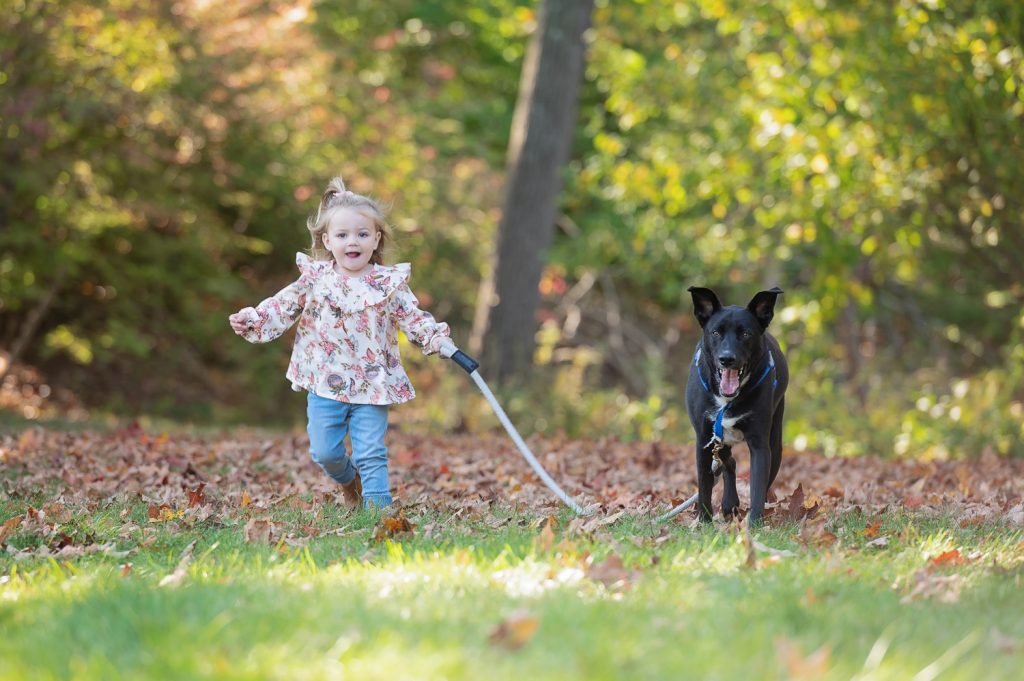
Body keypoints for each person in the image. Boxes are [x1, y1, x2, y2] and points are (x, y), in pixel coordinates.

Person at [229, 177, 458, 509]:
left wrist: (434, 338)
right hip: (325, 382)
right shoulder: (316, 279)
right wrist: (254, 319)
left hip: (372, 382)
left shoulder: (387, 283)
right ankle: (351, 481)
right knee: (325, 452)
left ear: (376, 238)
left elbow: (413, 316)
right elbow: (283, 305)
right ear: (327, 240)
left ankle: (379, 513)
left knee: (371, 451)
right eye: (343, 235)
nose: (353, 241)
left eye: (363, 234)